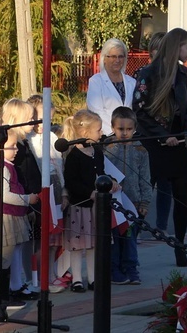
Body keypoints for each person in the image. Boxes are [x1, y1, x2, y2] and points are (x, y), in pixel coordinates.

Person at [132, 28, 187, 267]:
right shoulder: (147, 73)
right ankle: (130, 247)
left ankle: (179, 245)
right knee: (144, 196)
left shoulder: (182, 73)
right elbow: (139, 110)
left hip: (178, 146)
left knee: (181, 197)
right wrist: (161, 136)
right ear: (176, 47)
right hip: (153, 147)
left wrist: (186, 131)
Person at [0, 128, 39, 309]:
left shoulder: (2, 167)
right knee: (2, 259)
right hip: (2, 218)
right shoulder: (2, 168)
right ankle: (3, 296)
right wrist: (28, 199)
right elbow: (4, 195)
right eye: (12, 146)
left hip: (1, 217)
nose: (16, 150)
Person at [62, 109, 119, 291]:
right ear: (86, 133)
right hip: (81, 207)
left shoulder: (97, 151)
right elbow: (71, 182)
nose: (101, 133)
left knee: (94, 244)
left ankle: (93, 278)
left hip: (97, 207)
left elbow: (100, 173)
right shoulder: (73, 155)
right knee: (78, 246)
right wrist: (89, 193)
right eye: (98, 130)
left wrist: (110, 181)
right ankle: (77, 279)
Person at [104, 106, 152, 285]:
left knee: (130, 238)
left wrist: (145, 202)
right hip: (114, 203)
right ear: (113, 127)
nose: (124, 133)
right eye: (120, 129)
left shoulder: (141, 151)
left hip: (133, 202)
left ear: (135, 128)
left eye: (129, 129)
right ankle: (115, 269)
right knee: (115, 238)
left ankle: (131, 268)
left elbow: (145, 178)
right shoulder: (106, 148)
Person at [26, 94, 66, 293]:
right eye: (40, 119)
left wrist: (64, 191)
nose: (44, 124)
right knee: (39, 239)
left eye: (48, 119)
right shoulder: (28, 139)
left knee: (53, 239)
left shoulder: (52, 137)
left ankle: (51, 274)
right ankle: (37, 277)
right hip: (40, 192)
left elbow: (59, 164)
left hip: (56, 189)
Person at [1, 98, 40, 301]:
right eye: (28, 119)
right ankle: (13, 285)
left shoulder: (23, 143)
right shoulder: (14, 147)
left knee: (19, 245)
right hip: (18, 201)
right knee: (13, 247)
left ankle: (18, 283)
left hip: (26, 200)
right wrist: (27, 199)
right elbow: (21, 175)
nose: (33, 122)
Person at [87, 38, 137, 136]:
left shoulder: (132, 82)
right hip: (107, 136)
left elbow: (136, 110)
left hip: (131, 136)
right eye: (113, 57)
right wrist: (115, 132)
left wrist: (129, 131)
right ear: (104, 59)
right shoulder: (96, 81)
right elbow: (96, 111)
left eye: (121, 56)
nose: (117, 60)